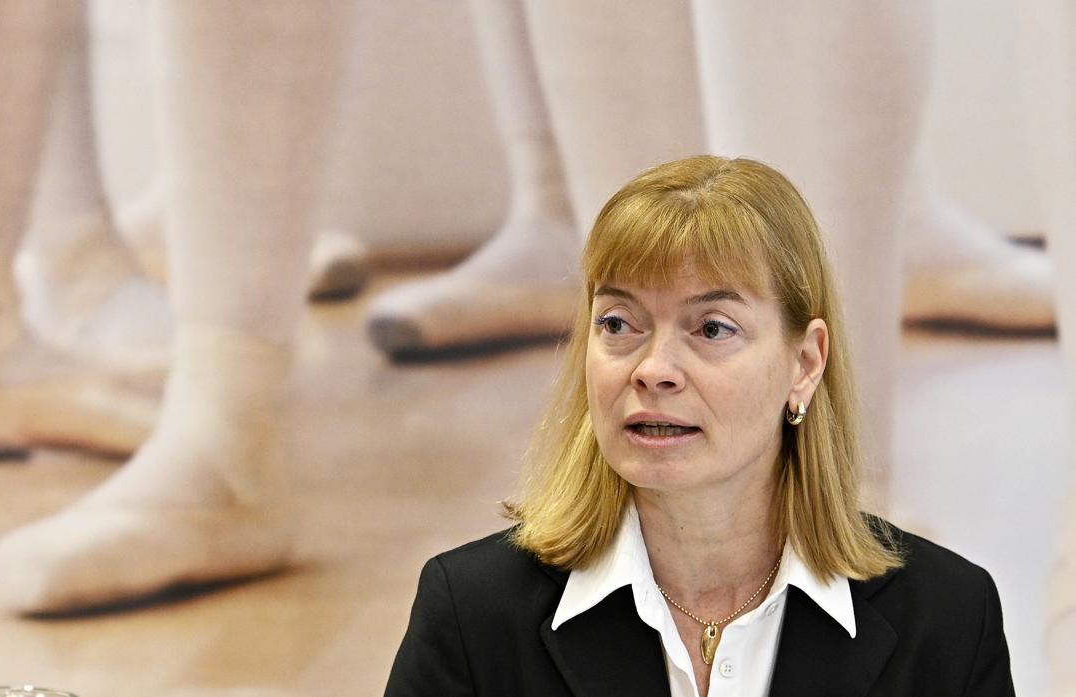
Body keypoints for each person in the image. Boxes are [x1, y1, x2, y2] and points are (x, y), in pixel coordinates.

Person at [383, 156, 1013, 696]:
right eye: (617, 324)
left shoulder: (949, 619)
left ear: (804, 363)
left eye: (712, 328)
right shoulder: (470, 613)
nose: (653, 370)